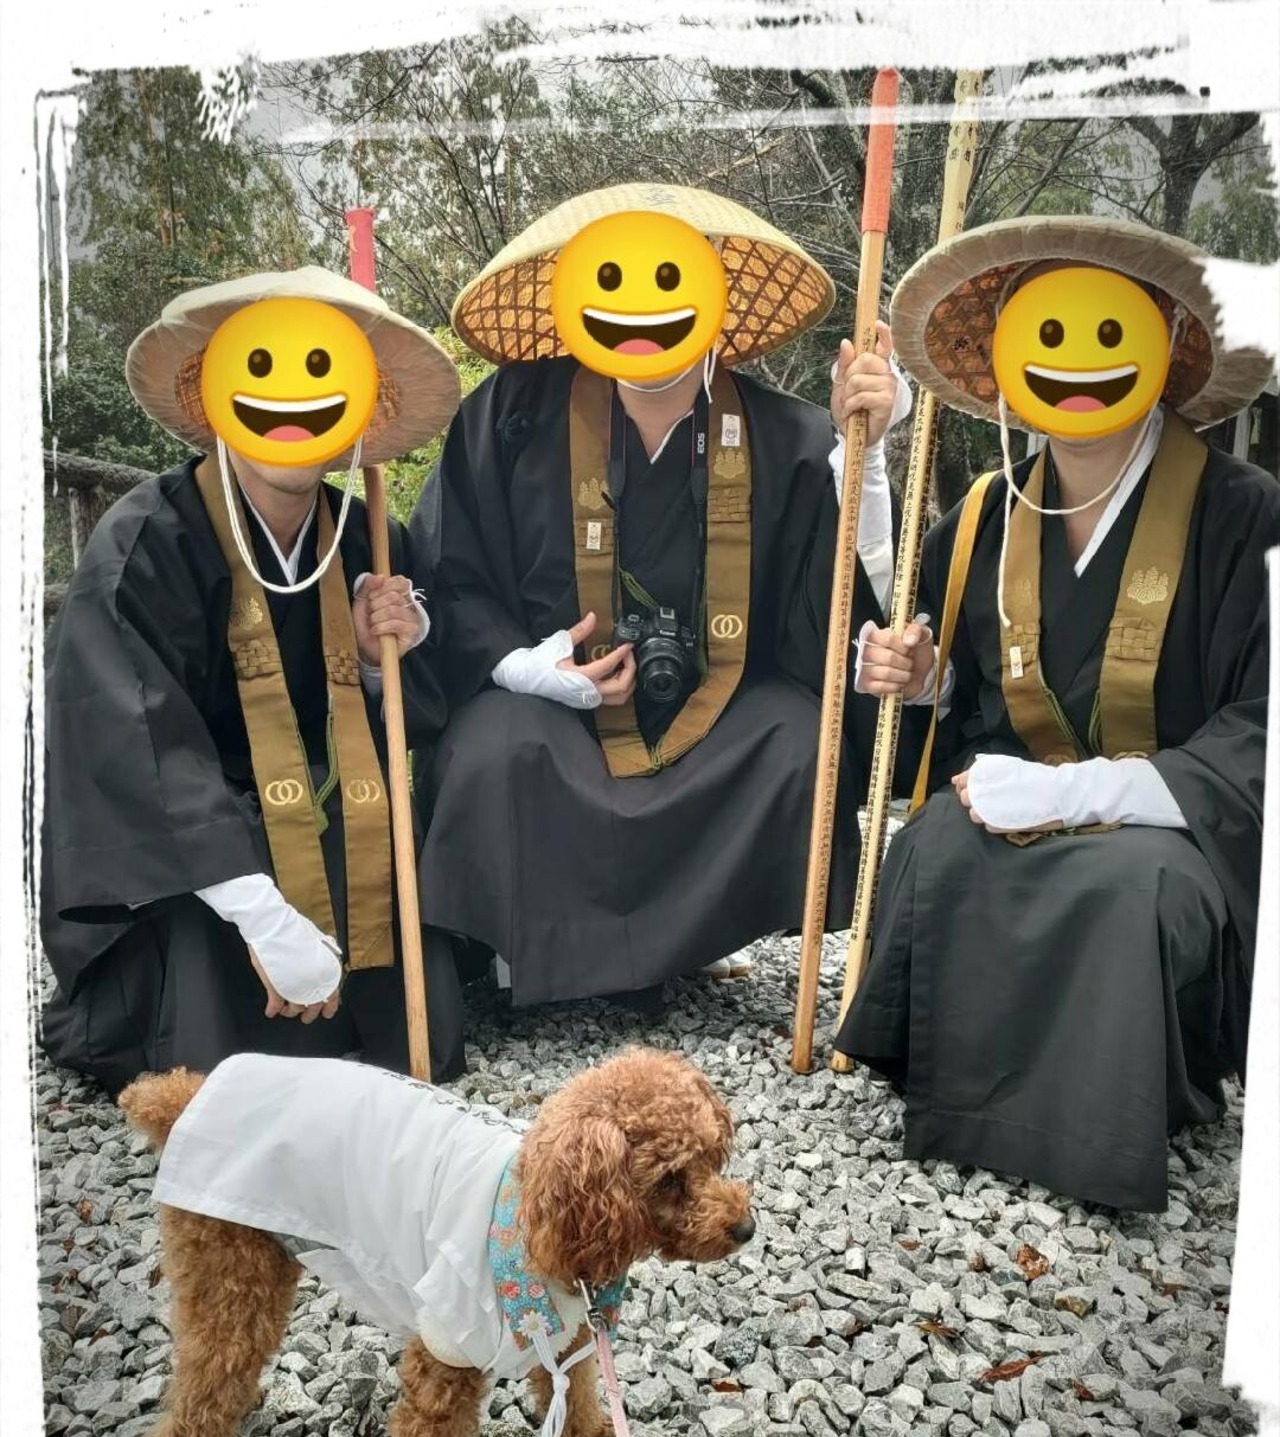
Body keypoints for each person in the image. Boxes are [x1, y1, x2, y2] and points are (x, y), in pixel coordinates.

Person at [840, 215, 1276, 1211]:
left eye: (1106, 330)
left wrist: (1085, 793)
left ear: (1164, 346)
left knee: (1134, 890)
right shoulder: (984, 516)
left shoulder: (1245, 512)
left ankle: (1100, 1121)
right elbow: (963, 691)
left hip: (1173, 826)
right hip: (1020, 790)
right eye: (1048, 333)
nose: (1077, 361)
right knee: (937, 845)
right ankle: (964, 1095)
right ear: (1003, 360)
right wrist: (921, 679)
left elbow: (1264, 727)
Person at [410, 182, 910, 1009]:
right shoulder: (510, 413)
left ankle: (690, 937)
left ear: (718, 300)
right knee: (495, 748)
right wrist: (521, 666)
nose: (642, 310)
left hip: (715, 725)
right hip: (555, 719)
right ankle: (526, 942)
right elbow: (448, 568)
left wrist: (868, 452)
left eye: (671, 280)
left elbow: (840, 612)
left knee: (797, 742)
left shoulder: (789, 436)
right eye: (614, 281)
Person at [41, 266, 468, 1091]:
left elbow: (413, 723)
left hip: (331, 812)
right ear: (214, 396)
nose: (292, 402)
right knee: (209, 949)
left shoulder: (369, 537)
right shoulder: (145, 543)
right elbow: (129, 742)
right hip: (193, 848)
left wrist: (385, 654)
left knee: (382, 856)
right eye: (263, 367)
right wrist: (260, 911)